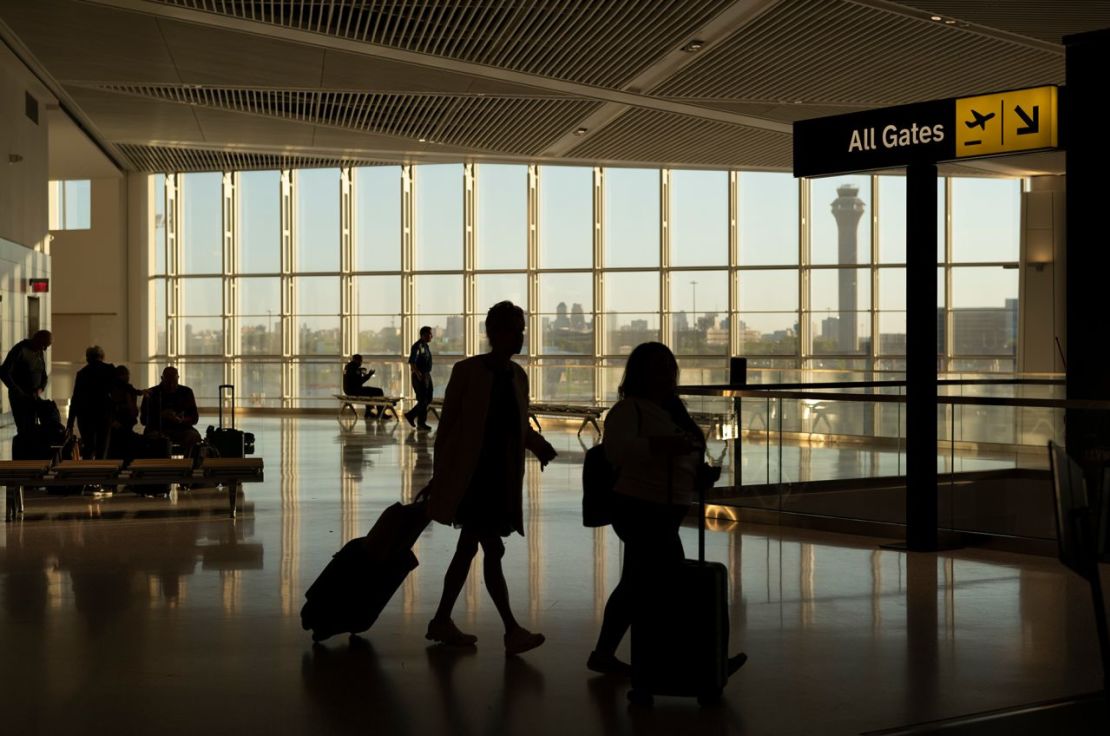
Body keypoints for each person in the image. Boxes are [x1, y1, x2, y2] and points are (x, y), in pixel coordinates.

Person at [587, 342, 742, 676]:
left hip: (659, 509)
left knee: (635, 582)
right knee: (670, 584)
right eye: (658, 369)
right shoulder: (630, 411)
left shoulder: (670, 412)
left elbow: (676, 456)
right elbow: (617, 452)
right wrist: (664, 446)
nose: (665, 376)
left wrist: (698, 475)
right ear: (642, 375)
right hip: (642, 509)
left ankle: (606, 653)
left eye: (668, 369)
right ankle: (699, 661)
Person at [424, 302, 557, 655]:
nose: (522, 335)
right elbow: (450, 429)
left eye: (522, 328)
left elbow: (518, 424)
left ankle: (442, 620)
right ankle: (511, 630)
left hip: (497, 478)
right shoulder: (468, 372)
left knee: (469, 548)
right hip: (475, 480)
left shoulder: (517, 376)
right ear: (496, 332)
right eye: (516, 328)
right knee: (491, 549)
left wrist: (539, 445)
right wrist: (442, 476)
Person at [68, 346, 117, 459]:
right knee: (102, 449)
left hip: (85, 416)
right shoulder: (109, 369)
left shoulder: (82, 373)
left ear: (88, 358)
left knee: (88, 448)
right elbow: (116, 392)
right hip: (104, 415)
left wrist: (70, 422)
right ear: (102, 356)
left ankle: (87, 472)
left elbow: (75, 399)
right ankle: (100, 473)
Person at [140, 366, 201, 455]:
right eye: (168, 382)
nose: (171, 385)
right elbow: (143, 420)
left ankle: (186, 464)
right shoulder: (152, 393)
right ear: (162, 378)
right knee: (154, 438)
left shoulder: (186, 392)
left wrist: (180, 420)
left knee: (193, 437)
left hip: (178, 429)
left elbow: (194, 418)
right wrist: (161, 416)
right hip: (158, 429)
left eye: (174, 382)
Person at [0, 330, 52, 435]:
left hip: (34, 397)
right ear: (37, 340)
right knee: (25, 430)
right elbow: (4, 372)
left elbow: (43, 375)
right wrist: (18, 391)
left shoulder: (39, 351)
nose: (45, 349)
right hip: (20, 399)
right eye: (44, 345)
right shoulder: (19, 350)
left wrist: (41, 388)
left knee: (33, 429)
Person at [107, 365, 144, 461]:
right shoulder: (130, 390)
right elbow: (134, 412)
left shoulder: (112, 391)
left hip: (117, 427)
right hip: (126, 425)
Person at [405, 326, 434, 430]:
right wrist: (418, 374)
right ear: (423, 335)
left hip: (426, 375)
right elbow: (412, 362)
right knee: (423, 399)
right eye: (430, 334)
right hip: (420, 375)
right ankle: (416, 419)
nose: (432, 336)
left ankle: (417, 419)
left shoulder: (425, 346)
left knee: (428, 398)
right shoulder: (417, 346)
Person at [342, 354, 384, 419]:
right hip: (354, 390)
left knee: (368, 392)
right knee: (378, 391)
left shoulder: (347, 367)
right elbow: (360, 382)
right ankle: (381, 413)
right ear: (358, 360)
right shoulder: (354, 368)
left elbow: (356, 380)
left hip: (348, 390)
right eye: (361, 361)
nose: (361, 363)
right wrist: (369, 375)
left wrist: (362, 372)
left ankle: (368, 412)